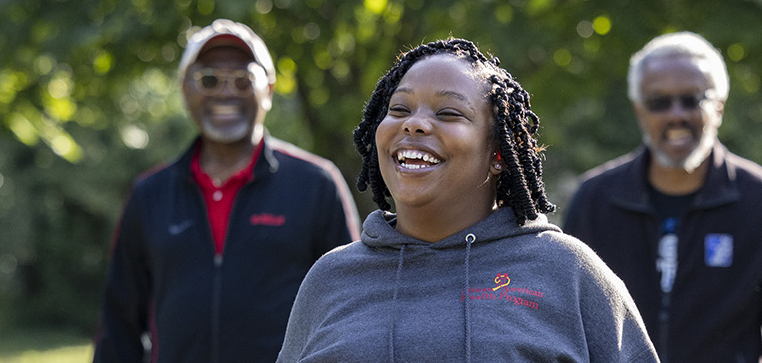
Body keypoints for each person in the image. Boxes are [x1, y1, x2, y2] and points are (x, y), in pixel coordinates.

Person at [278, 38, 657, 362]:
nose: (415, 123)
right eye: (399, 109)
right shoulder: (330, 279)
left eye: (448, 113)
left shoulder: (567, 271)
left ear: (497, 153)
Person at [91, 19, 360, 363]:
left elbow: (350, 309)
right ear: (185, 89)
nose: (225, 91)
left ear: (270, 91)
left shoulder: (316, 184)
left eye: (244, 80)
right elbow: (119, 324)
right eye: (209, 79)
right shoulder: (150, 194)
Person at [563, 32, 762, 362]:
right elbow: (565, 326)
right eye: (659, 102)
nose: (676, 115)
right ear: (640, 111)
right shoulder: (595, 201)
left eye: (692, 99)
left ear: (719, 108)